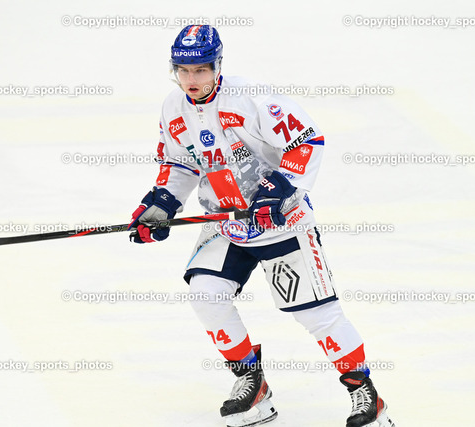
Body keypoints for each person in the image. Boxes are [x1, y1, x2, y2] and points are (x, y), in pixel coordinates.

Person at [128, 25, 395, 427]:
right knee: (206, 294)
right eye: (183, 70)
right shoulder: (173, 107)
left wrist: (279, 188)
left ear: (218, 66)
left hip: (282, 224)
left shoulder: (252, 98)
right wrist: (161, 202)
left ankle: (366, 396)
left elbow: (306, 141)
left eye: (201, 70)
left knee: (317, 315)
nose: (191, 79)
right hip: (226, 223)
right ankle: (253, 385)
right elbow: (180, 163)